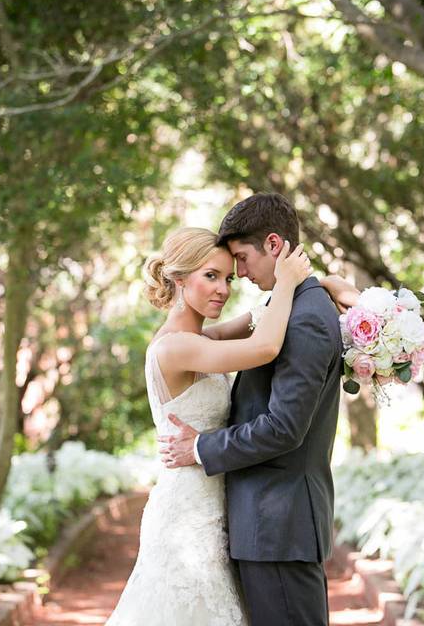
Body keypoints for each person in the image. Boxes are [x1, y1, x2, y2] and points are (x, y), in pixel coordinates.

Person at [107, 225, 314, 626]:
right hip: (187, 517)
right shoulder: (177, 346)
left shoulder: (197, 337)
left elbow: (253, 322)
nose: (223, 289)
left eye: (229, 279)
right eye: (211, 276)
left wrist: (321, 288)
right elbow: (265, 347)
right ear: (180, 278)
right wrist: (288, 282)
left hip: (214, 506)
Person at [159, 193, 348, 626]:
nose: (236, 277)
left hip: (277, 525)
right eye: (218, 274)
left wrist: (202, 448)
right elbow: (239, 336)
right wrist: (320, 284)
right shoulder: (295, 308)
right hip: (261, 524)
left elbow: (284, 427)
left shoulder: (303, 318)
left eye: (240, 261)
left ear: (276, 246)